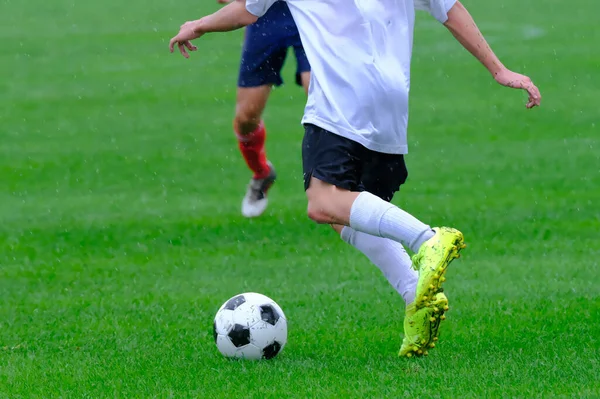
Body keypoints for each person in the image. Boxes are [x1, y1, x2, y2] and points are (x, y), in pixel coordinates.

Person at [168, 0, 541, 357]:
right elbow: (449, 9)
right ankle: (416, 296)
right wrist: (498, 69)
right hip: (392, 109)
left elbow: (247, 11)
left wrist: (198, 25)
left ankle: (427, 239)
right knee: (342, 211)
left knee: (322, 203)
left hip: (342, 104)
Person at [216, 0, 310, 218]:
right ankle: (262, 172)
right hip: (264, 18)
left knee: (318, 96)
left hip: (310, 15)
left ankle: (337, 185)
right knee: (246, 118)